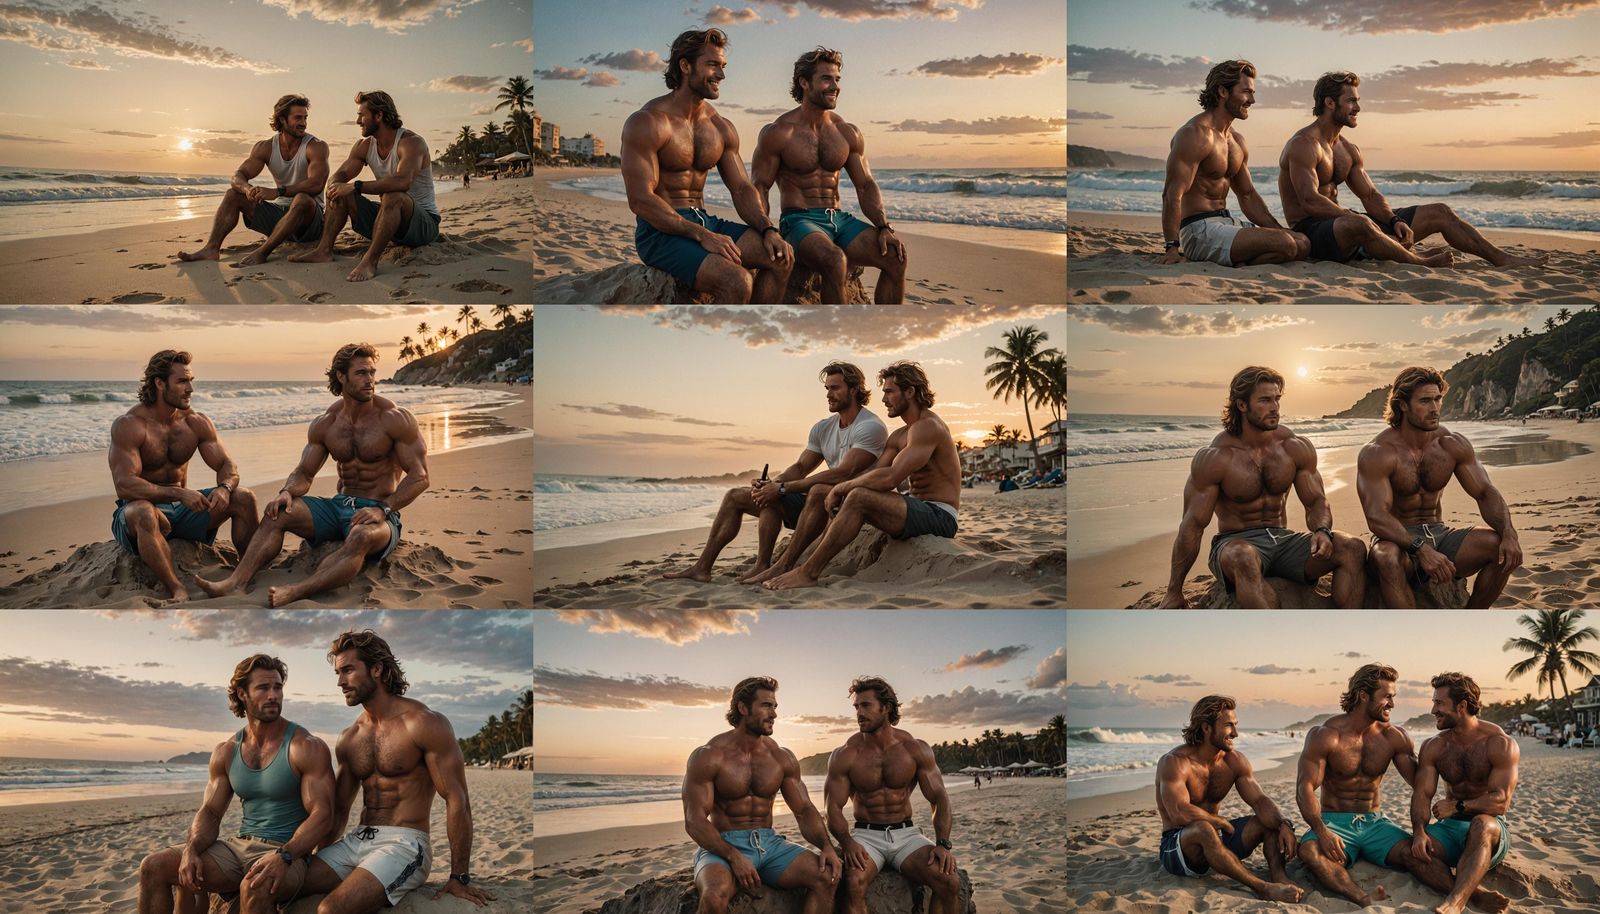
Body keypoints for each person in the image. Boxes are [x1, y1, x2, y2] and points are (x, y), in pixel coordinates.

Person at [192, 344, 428, 606]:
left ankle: (297, 590)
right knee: (278, 512)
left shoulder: (394, 418)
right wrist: (287, 491)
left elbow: (420, 476)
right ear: (341, 376)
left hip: (379, 512)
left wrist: (384, 508)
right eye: (361, 373)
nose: (370, 380)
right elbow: (304, 473)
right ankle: (236, 582)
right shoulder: (326, 423)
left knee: (361, 537)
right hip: (339, 506)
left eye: (372, 372)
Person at [296, 630, 495, 909]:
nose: (340, 681)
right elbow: (340, 809)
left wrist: (459, 876)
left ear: (376, 669)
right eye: (338, 673)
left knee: (330, 909)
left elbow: (456, 799)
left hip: (405, 845)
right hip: (357, 840)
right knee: (282, 886)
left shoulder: (423, 723)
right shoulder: (350, 737)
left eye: (349, 670)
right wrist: (321, 857)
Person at [1280, 72, 1546, 269]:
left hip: (1351, 229)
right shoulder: (1304, 144)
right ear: (1330, 103)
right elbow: (1309, 200)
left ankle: (1502, 259)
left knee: (1440, 212)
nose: (1358, 108)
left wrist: (1395, 221)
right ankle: (1419, 262)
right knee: (1359, 221)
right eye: (1351, 101)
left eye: (1358, 101)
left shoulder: (1347, 149)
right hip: (1314, 232)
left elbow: (1370, 196)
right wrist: (1355, 218)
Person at [138, 654, 334, 914]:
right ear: (243, 694)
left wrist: (285, 856)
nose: (273, 695)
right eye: (263, 688)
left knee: (255, 887)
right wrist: (191, 850)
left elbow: (323, 814)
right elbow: (210, 812)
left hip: (287, 853)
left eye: (277, 687)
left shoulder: (305, 746)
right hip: (237, 847)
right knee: (153, 866)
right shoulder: (227, 751)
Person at [1160, 366, 1367, 608]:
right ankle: (1275, 637)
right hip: (1234, 544)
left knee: (1352, 547)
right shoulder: (1216, 457)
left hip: (1283, 541)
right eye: (1265, 400)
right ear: (1242, 405)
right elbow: (1192, 525)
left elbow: (1316, 501)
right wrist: (1174, 590)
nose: (1275, 407)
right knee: (1244, 557)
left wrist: (1322, 530)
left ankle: (1345, 629)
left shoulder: (1293, 446)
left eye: (1277, 399)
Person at [661, 362, 886, 584]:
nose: (829, 394)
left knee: (814, 490)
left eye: (835, 388)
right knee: (734, 496)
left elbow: (843, 473)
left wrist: (781, 488)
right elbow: (800, 467)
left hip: (845, 507)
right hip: (816, 504)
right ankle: (705, 568)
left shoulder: (869, 426)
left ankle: (783, 566)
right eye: (827, 389)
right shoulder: (823, 427)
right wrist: (772, 485)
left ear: (854, 389)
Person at [621, 29, 792, 303]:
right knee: (738, 281)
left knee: (781, 257)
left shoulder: (720, 127)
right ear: (685, 65)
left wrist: (767, 228)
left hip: (704, 220)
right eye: (713, 65)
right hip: (660, 233)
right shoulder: (649, 122)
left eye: (723, 66)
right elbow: (641, 200)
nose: (722, 75)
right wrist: (702, 236)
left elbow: (741, 188)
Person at [763, 361, 959, 591]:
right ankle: (788, 563)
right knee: (839, 492)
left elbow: (891, 478)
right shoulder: (898, 435)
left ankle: (808, 573)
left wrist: (842, 488)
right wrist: (838, 488)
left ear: (910, 391)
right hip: (915, 509)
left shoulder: (928, 427)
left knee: (858, 497)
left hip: (940, 516)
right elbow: (875, 472)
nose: (884, 399)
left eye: (889, 392)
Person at [1357, 367, 1522, 607]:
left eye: (1437, 399)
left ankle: (1470, 618)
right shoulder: (1378, 453)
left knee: (1500, 548)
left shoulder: (1451, 444)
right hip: (1397, 541)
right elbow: (1377, 517)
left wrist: (1509, 533)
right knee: (1385, 558)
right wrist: (1420, 549)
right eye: (1425, 401)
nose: (1435, 408)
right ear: (1402, 405)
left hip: (1439, 533)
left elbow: (1485, 492)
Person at [752, 48, 906, 303]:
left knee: (895, 256)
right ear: (804, 82)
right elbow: (759, 186)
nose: (834, 86)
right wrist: (766, 230)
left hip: (840, 221)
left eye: (837, 79)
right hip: (799, 222)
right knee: (835, 261)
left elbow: (866, 185)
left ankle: (885, 331)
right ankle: (836, 337)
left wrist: (882, 226)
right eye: (826, 79)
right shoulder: (780, 132)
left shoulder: (846, 132)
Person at [110, 350, 258, 602]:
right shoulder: (130, 425)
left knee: (243, 497)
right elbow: (125, 485)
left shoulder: (195, 422)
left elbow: (226, 464)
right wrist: (179, 492)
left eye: (191, 380)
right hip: (140, 512)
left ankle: (246, 575)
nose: (190, 388)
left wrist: (223, 488)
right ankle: (176, 588)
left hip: (183, 511)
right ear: (159, 383)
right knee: (145, 512)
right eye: (182, 381)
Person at [683, 677, 839, 914]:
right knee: (714, 897)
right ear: (743, 708)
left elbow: (804, 809)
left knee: (828, 876)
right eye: (766, 705)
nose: (774, 713)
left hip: (770, 843)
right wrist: (733, 857)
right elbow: (694, 821)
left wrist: (825, 845)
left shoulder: (781, 756)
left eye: (775, 706)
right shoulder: (709, 756)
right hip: (723, 845)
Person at [1295, 663, 1428, 907]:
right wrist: (1322, 831)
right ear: (1363, 695)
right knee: (1309, 852)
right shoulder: (1325, 734)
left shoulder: (1393, 736)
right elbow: (1304, 788)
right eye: (1387, 696)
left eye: (1393, 697)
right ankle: (1361, 898)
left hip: (1375, 823)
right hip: (1335, 821)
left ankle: (1467, 894)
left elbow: (1422, 784)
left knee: (1419, 853)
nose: (1392, 704)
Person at [826, 677, 961, 914]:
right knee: (854, 882)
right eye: (856, 707)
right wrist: (847, 843)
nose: (859, 713)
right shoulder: (846, 754)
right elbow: (832, 807)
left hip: (907, 835)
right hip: (866, 836)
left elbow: (939, 798)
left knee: (949, 881)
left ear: (886, 707)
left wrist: (942, 843)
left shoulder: (914, 749)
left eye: (865, 705)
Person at [1158, 60, 1308, 268]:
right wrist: (1172, 248)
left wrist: (1279, 229)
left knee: (1301, 242)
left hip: (1226, 222)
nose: (1252, 100)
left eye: (1253, 93)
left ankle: (1240, 263)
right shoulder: (1195, 134)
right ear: (1223, 91)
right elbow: (1172, 194)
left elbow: (1247, 196)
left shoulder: (1236, 140)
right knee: (1285, 244)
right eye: (1246, 92)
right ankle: (1240, 260)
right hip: (1198, 230)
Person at [1155, 696, 1303, 902]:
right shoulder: (1175, 762)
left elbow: (1259, 800)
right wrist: (1219, 821)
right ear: (1206, 728)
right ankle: (1261, 887)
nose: (1235, 733)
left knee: (1267, 821)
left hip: (1216, 840)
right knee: (1204, 828)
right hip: (1178, 846)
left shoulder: (1234, 761)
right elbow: (1178, 812)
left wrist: (1283, 824)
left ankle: (1279, 876)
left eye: (1235, 725)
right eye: (1228, 726)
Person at [289, 91, 440, 282]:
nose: (358, 121)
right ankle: (324, 250)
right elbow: (341, 174)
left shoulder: (411, 142)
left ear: (379, 116)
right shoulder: (364, 146)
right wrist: (334, 185)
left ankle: (370, 261)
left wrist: (356, 186)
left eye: (362, 115)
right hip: (391, 222)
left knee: (393, 195)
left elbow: (403, 181)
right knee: (340, 190)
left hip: (423, 225)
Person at [1409, 673, 1519, 914]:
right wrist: (1419, 832)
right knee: (1413, 852)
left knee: (1481, 824)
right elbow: (1422, 795)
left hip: (1490, 828)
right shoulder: (1434, 746)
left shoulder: (1499, 742)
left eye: (1439, 703)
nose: (1432, 710)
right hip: (1451, 828)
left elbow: (1500, 802)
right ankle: (1475, 896)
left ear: (1462, 706)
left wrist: (1457, 806)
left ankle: (1456, 902)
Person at [179, 95, 329, 266]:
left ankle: (263, 252)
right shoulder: (265, 147)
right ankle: (211, 248)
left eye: (305, 118)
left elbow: (316, 184)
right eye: (298, 117)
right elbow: (238, 176)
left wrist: (277, 191)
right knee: (233, 194)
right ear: (282, 119)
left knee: (302, 199)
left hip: (309, 222)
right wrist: (247, 189)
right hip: (280, 215)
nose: (303, 122)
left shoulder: (315, 146)